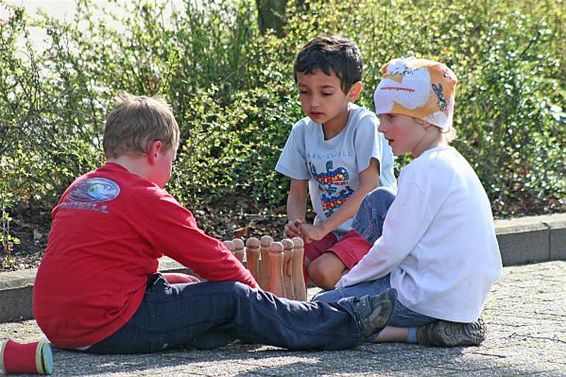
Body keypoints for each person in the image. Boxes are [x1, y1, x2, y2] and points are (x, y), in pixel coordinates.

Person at [32, 92, 398, 354]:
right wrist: (260, 300)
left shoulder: (84, 187)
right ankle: (342, 323)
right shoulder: (145, 196)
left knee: (179, 283)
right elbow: (211, 258)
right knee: (231, 297)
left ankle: (208, 330)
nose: (169, 173)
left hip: (59, 325)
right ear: (155, 150)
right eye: (171, 159)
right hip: (107, 326)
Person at [314, 57, 503, 347]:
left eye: (390, 117)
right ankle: (441, 325)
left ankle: (417, 332)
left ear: (425, 119)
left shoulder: (420, 172)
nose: (380, 127)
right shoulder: (452, 161)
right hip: (462, 297)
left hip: (425, 297)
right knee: (380, 199)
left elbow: (392, 249)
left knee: (321, 311)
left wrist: (347, 283)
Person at [276, 35, 396, 290]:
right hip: (331, 230)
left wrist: (321, 229)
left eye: (326, 92)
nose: (313, 102)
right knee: (287, 264)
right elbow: (297, 193)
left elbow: (369, 187)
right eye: (304, 92)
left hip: (373, 230)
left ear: (352, 91)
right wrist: (297, 228)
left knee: (322, 272)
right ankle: (296, 320)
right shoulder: (302, 131)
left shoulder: (364, 125)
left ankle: (380, 297)